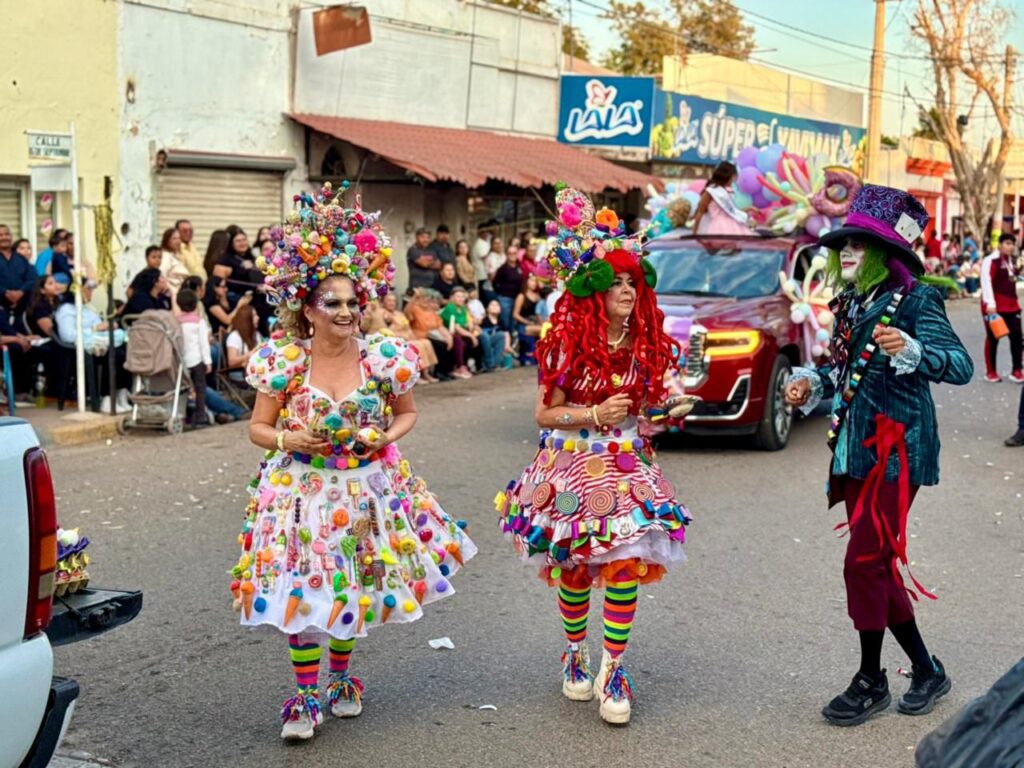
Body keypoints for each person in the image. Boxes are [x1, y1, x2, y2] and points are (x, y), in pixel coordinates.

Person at [234, 182, 475, 741]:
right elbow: (257, 428)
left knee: (350, 583)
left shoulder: (385, 359)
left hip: (366, 489)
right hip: (301, 492)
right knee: (302, 587)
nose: (347, 312)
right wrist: (291, 440)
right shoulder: (285, 362)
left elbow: (408, 414)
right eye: (333, 303)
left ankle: (341, 680)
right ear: (308, 310)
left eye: (353, 302)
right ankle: (303, 697)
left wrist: (383, 436)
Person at [496, 189, 691, 726]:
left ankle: (614, 668)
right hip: (573, 465)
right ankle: (575, 654)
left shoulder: (644, 341)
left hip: (626, 467)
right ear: (594, 290)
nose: (626, 290)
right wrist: (594, 414)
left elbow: (641, 411)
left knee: (625, 563)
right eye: (616, 282)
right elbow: (544, 414)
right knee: (576, 569)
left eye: (632, 281)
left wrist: (666, 410)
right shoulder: (566, 340)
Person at [785, 184, 973, 727]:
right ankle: (927, 669)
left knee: (863, 562)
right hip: (853, 449)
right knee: (877, 565)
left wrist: (916, 350)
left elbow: (959, 365)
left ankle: (871, 679)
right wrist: (810, 383)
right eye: (843, 243)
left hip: (898, 451)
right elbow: (844, 371)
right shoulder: (850, 303)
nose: (846, 252)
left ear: (884, 253)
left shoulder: (917, 300)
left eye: (858, 244)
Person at [55, 277, 130, 413]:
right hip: (77, 349)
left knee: (125, 350)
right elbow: (67, 335)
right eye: (88, 289)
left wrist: (107, 327)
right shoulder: (67, 310)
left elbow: (99, 326)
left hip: (97, 343)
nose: (91, 293)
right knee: (114, 354)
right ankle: (106, 397)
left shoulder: (89, 309)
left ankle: (121, 393)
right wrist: (94, 329)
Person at [361, 292, 440, 383]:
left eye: (393, 301)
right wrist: (369, 313)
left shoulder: (399, 313)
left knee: (425, 342)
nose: (392, 303)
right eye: (389, 301)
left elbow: (408, 328)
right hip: (390, 340)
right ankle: (416, 375)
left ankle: (426, 373)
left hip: (404, 337)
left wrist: (412, 336)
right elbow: (371, 327)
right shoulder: (379, 312)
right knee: (415, 345)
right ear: (383, 302)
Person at [980, 233, 1022, 383]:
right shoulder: (991, 260)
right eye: (1007, 243)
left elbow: (1011, 279)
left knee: (1017, 338)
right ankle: (990, 372)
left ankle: (1017, 370)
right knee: (993, 339)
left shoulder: (1011, 261)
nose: (1010, 247)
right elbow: (986, 281)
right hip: (994, 306)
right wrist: (990, 303)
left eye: (1012, 244)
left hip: (1012, 306)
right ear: (1000, 244)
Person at [175, 289, 212, 429]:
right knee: (200, 388)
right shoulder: (199, 322)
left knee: (182, 389)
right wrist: (208, 361)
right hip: (196, 360)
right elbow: (204, 344)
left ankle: (182, 415)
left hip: (181, 362)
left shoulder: (177, 322)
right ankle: (200, 416)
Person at [405, 288, 455, 379]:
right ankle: (438, 372)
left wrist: (449, 337)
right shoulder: (415, 309)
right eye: (422, 298)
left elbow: (440, 327)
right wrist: (414, 298)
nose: (425, 301)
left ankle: (446, 371)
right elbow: (407, 313)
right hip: (421, 336)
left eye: (427, 298)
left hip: (433, 336)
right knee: (440, 345)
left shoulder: (431, 312)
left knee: (448, 343)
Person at [692, 161, 750, 235]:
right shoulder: (711, 191)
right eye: (733, 177)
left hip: (734, 225)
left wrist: (749, 209)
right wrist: (695, 230)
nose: (733, 180)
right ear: (727, 176)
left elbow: (732, 211)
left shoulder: (728, 191)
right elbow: (700, 212)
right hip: (717, 227)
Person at [438, 284, 476, 379]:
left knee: (468, 341)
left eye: (462, 296)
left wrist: (470, 325)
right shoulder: (450, 308)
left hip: (459, 333)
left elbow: (465, 323)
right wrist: (471, 335)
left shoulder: (462, 309)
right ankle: (460, 367)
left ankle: (464, 366)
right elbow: (456, 327)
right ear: (452, 298)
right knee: (460, 341)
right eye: (458, 296)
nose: (461, 299)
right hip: (447, 333)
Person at [1, 223, 36, 321]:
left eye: (7, 234)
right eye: (0, 235)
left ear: (11, 237)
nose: (4, 237)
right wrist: (6, 293)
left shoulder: (21, 259)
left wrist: (20, 292)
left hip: (22, 308)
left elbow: (31, 278)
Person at [512, 273, 542, 365]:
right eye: (532, 280)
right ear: (526, 282)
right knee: (544, 329)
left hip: (535, 324)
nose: (534, 283)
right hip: (523, 325)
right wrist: (528, 322)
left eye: (535, 281)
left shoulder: (538, 296)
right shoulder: (521, 296)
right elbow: (515, 315)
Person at [492, 244, 523, 331]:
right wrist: (501, 293)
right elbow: (495, 283)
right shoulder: (503, 269)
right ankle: (506, 337)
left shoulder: (519, 267)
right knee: (505, 321)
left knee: (514, 321)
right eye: (510, 253)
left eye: (514, 253)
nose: (512, 255)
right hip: (505, 299)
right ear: (507, 254)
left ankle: (512, 336)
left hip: (517, 299)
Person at [160, 227, 191, 308]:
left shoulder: (176, 256)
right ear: (167, 241)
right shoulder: (165, 256)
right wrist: (171, 291)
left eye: (179, 238)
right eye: (174, 238)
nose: (178, 241)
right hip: (173, 295)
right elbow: (161, 275)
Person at [476, 298, 507, 371]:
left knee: (501, 335)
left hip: (493, 343)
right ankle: (490, 364)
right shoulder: (482, 320)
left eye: (497, 305)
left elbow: (506, 334)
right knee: (484, 335)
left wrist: (507, 346)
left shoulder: (501, 321)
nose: (495, 306)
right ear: (487, 309)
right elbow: (478, 331)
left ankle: (495, 364)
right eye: (492, 305)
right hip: (482, 343)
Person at [471, 220, 496, 296]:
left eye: (486, 231)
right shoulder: (479, 243)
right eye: (483, 232)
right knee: (484, 295)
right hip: (481, 275)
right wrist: (492, 249)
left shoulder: (485, 242)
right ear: (479, 233)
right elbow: (484, 257)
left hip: (486, 274)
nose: (485, 234)